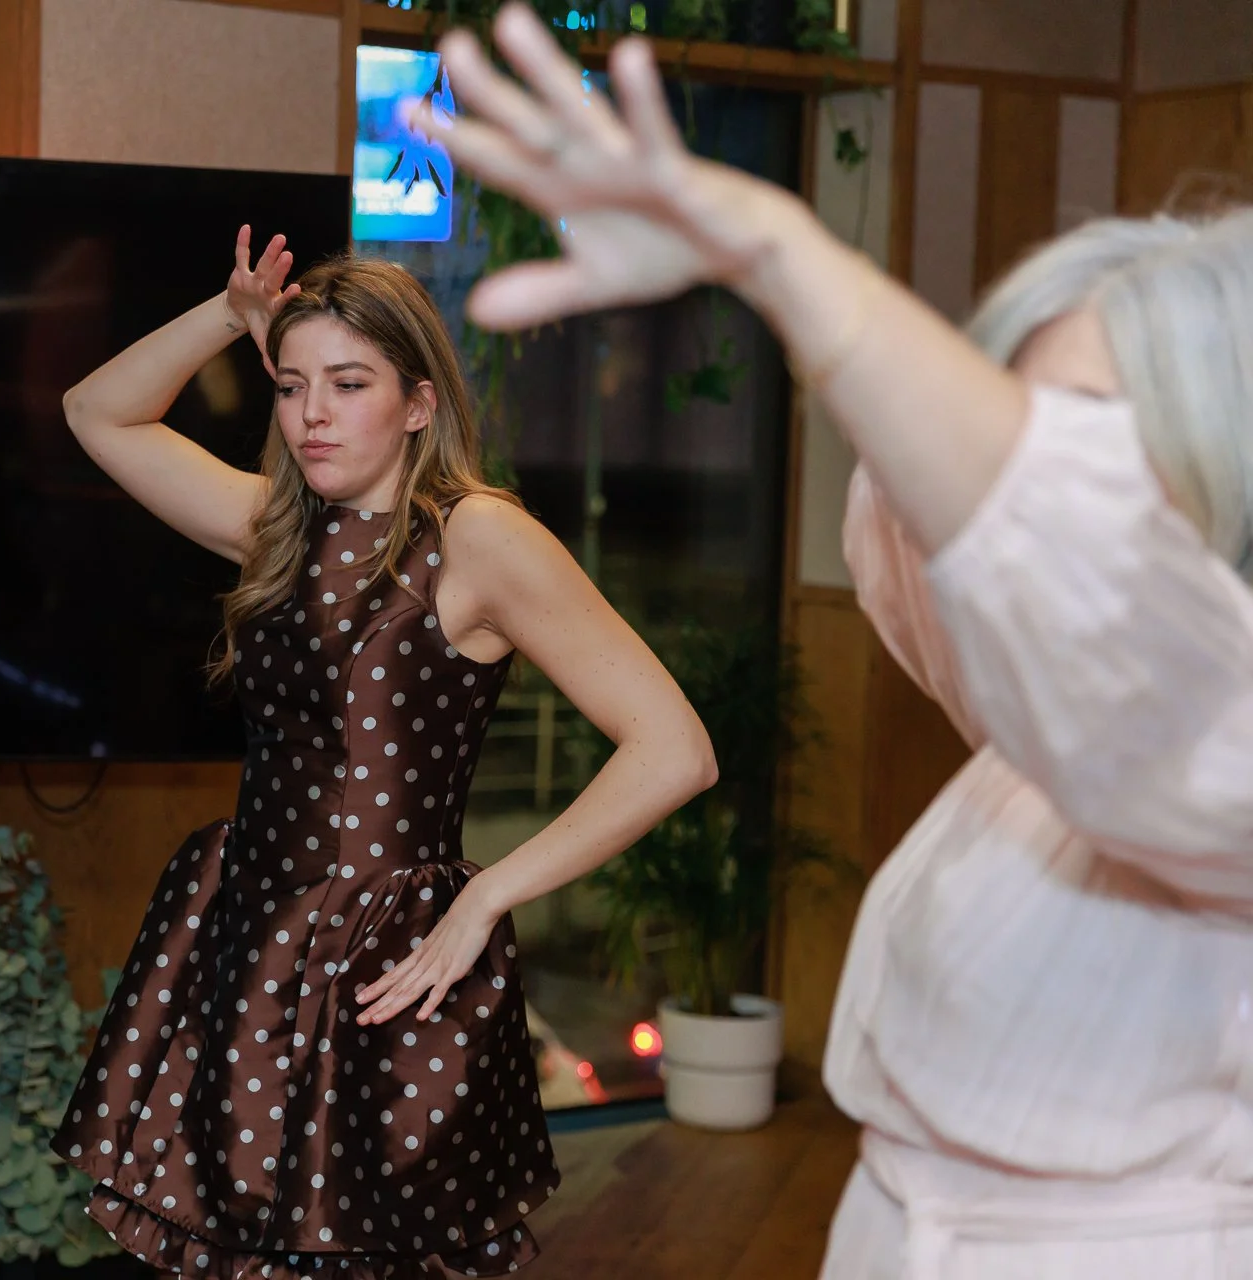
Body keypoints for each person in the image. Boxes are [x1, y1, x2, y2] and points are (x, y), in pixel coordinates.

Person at [417, 5, 1253, 1274]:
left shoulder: (1213, 731)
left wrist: (776, 244)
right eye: (1015, 414)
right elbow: (921, 544)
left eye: (1078, 434)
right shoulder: (1054, 718)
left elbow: (1050, 539)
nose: (1024, 464)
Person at [51, 233, 717, 1278]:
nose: (313, 413)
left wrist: (490, 893)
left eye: (348, 384)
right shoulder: (276, 526)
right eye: (290, 385)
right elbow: (97, 411)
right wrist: (232, 314)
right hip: (249, 938)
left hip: (390, 968)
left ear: (416, 402)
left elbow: (674, 747)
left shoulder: (479, 536)